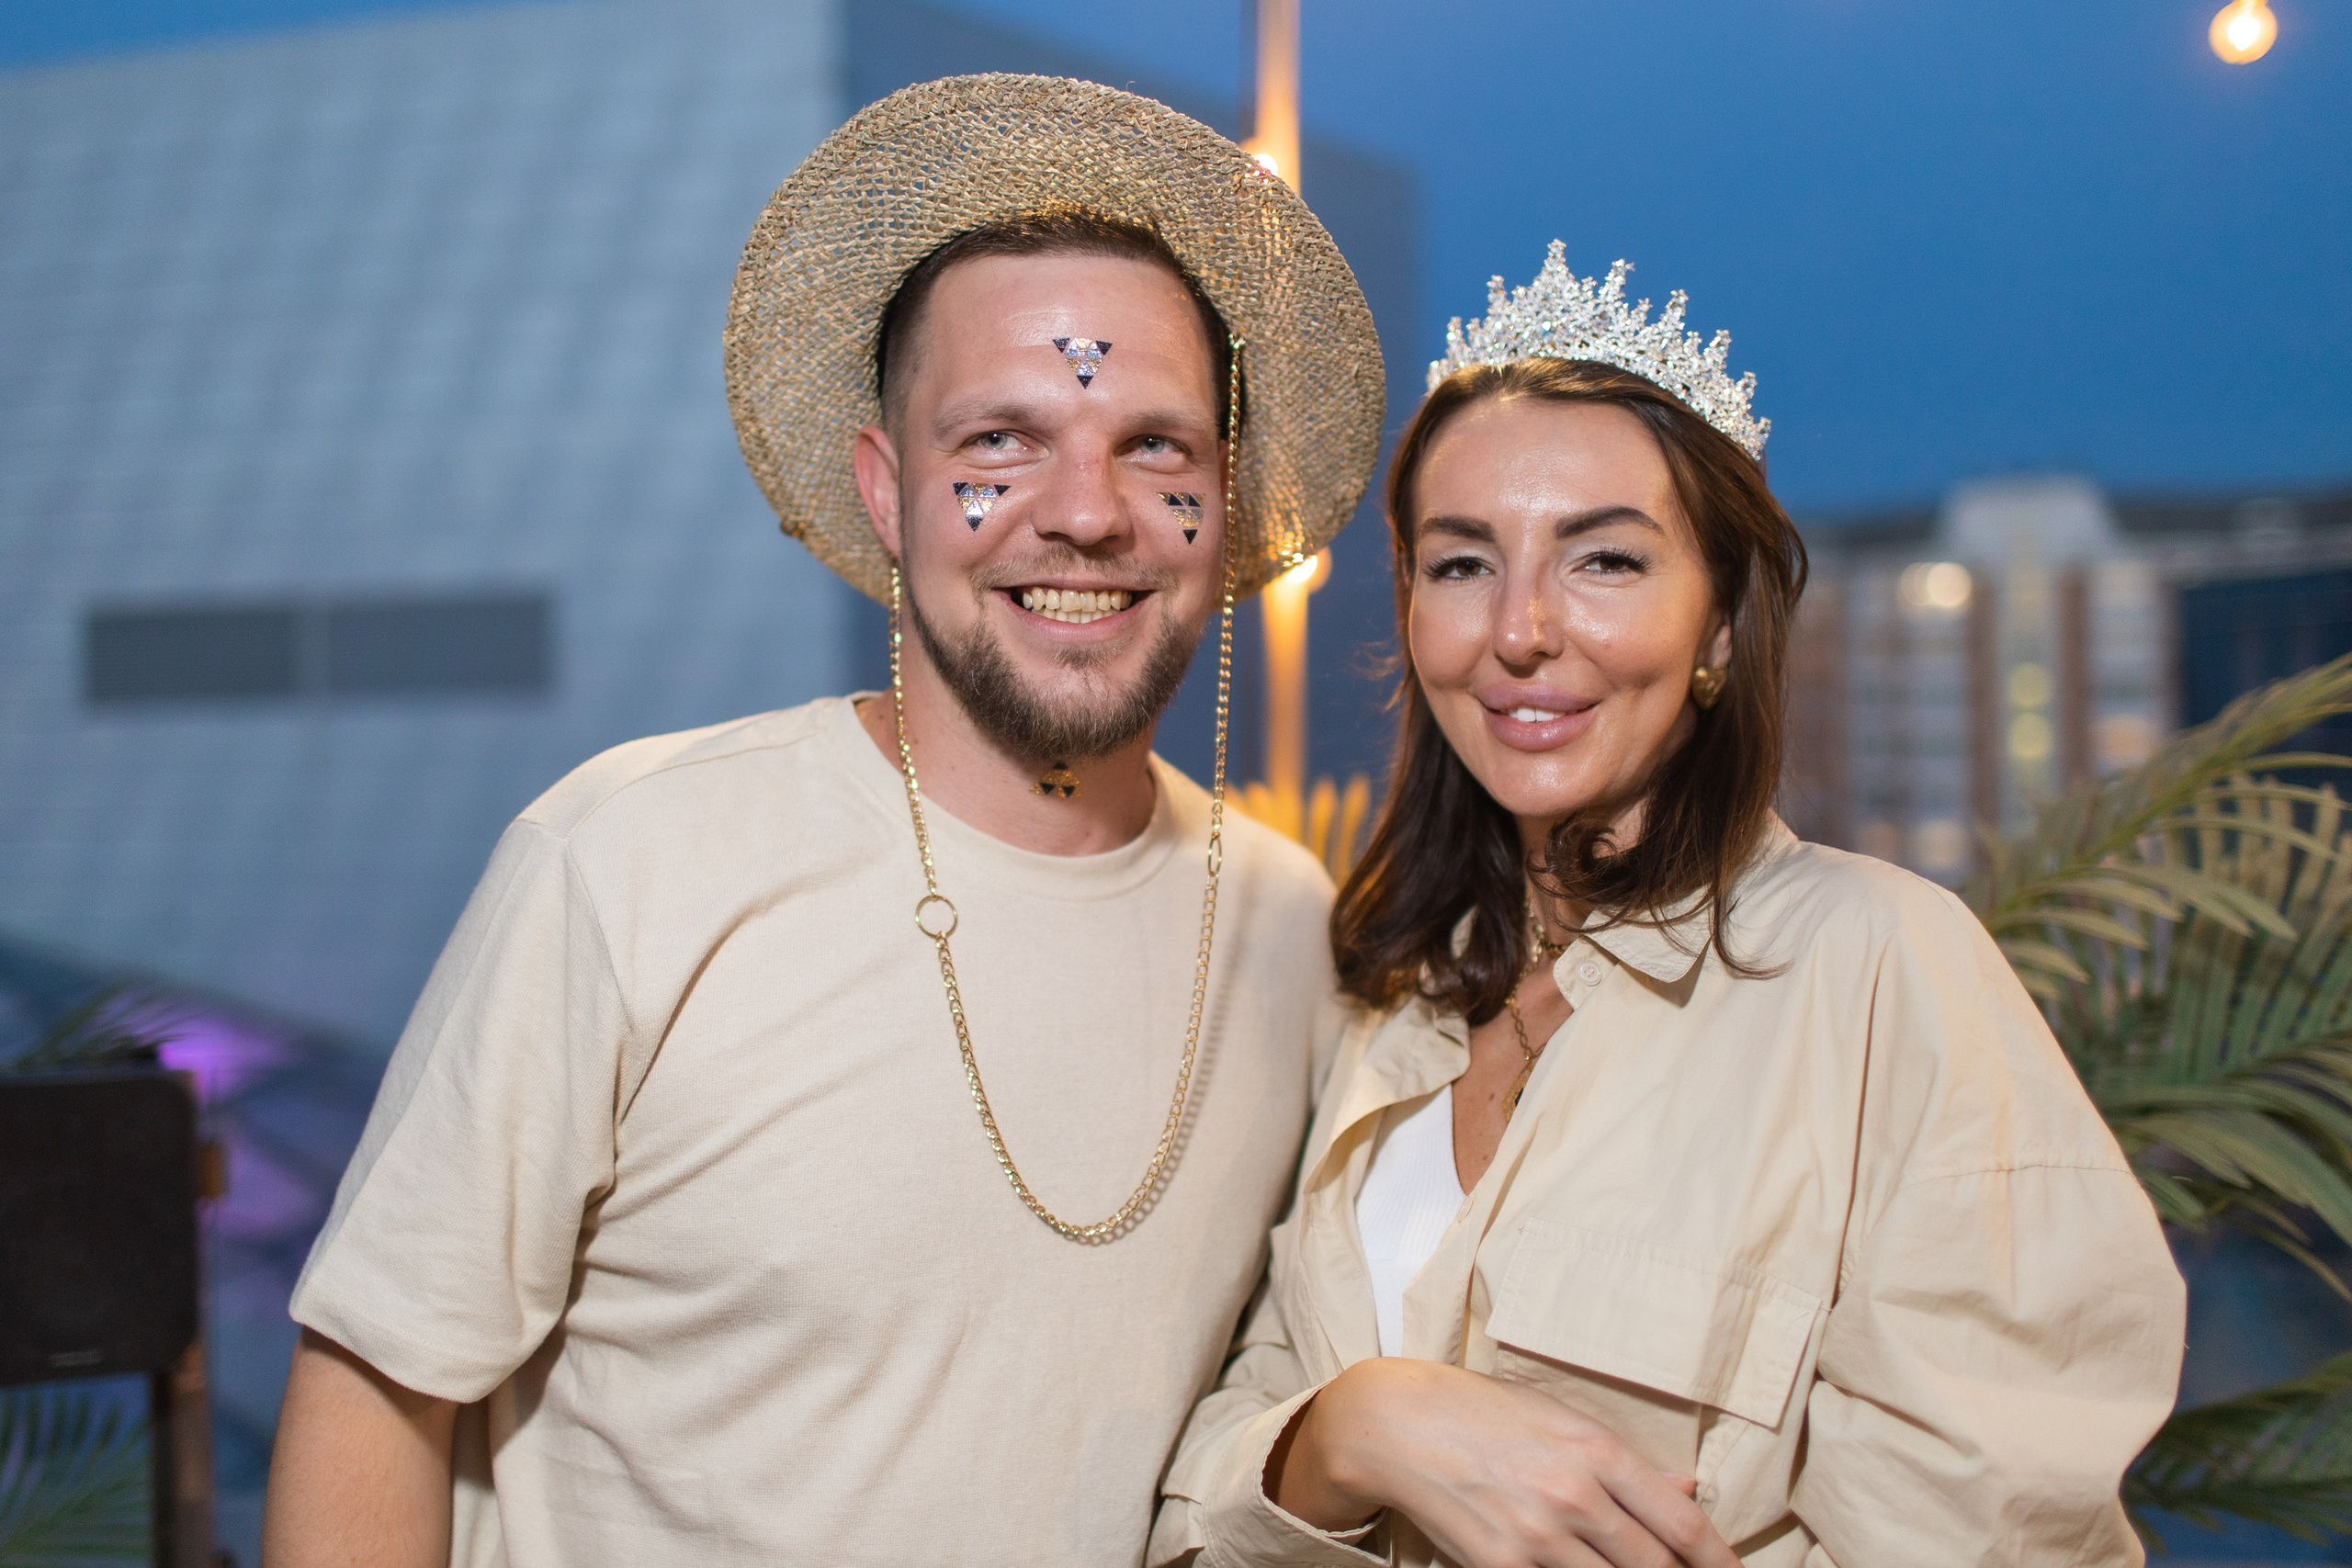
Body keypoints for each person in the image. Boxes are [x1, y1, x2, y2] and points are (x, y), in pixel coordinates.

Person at [262, 74, 1386, 1567]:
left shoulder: (1286, 923)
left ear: (1228, 505)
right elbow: (375, 1394)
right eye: (1002, 442)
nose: (1088, 513)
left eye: (1157, 450)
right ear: (885, 486)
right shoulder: (629, 862)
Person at [1153, 244, 2187, 1567]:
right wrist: (1355, 1430)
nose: (1521, 629)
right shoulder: (1385, 995)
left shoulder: (1877, 974)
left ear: (1718, 625)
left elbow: (1991, 1529)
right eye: (1463, 564)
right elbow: (1218, 1450)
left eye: (1607, 563)